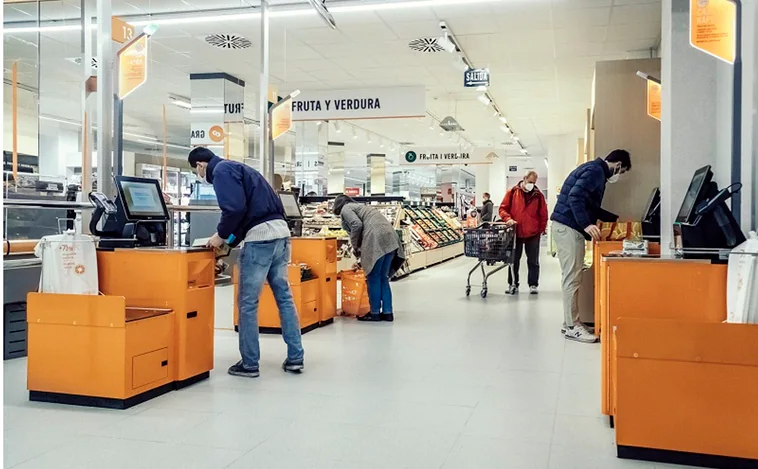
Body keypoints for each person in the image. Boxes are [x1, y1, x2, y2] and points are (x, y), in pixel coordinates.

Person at [188, 147, 304, 377]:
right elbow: (245, 212)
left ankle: (249, 363)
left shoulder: (220, 170)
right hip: (281, 235)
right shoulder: (240, 168)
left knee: (248, 303)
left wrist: (218, 236)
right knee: (285, 298)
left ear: (201, 164)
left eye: (197, 172)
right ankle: (295, 358)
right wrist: (229, 242)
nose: (201, 176)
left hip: (260, 239)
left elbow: (234, 210)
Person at [551, 149, 631, 343]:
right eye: (622, 172)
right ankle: (572, 327)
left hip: (566, 226)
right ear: (618, 165)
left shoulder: (594, 170)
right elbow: (575, 197)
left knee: (573, 276)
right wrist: (587, 224)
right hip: (568, 227)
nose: (619, 176)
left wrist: (613, 219)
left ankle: (571, 322)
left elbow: (589, 205)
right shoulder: (596, 172)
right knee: (572, 277)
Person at [333, 195, 406, 322]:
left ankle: (375, 313)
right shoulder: (361, 207)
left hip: (376, 239)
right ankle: (388, 312)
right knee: (383, 278)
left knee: (373, 277)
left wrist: (355, 245)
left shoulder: (346, 208)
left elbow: (356, 224)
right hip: (390, 239)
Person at [498, 170, 548, 295]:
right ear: (524, 179)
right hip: (516, 232)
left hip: (533, 233)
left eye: (534, 182)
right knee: (513, 260)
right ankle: (513, 284)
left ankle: (533, 285)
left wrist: (541, 230)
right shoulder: (512, 192)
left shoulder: (538, 195)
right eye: (530, 182)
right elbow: (502, 209)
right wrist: (508, 219)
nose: (532, 184)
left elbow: (543, 214)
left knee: (533, 260)